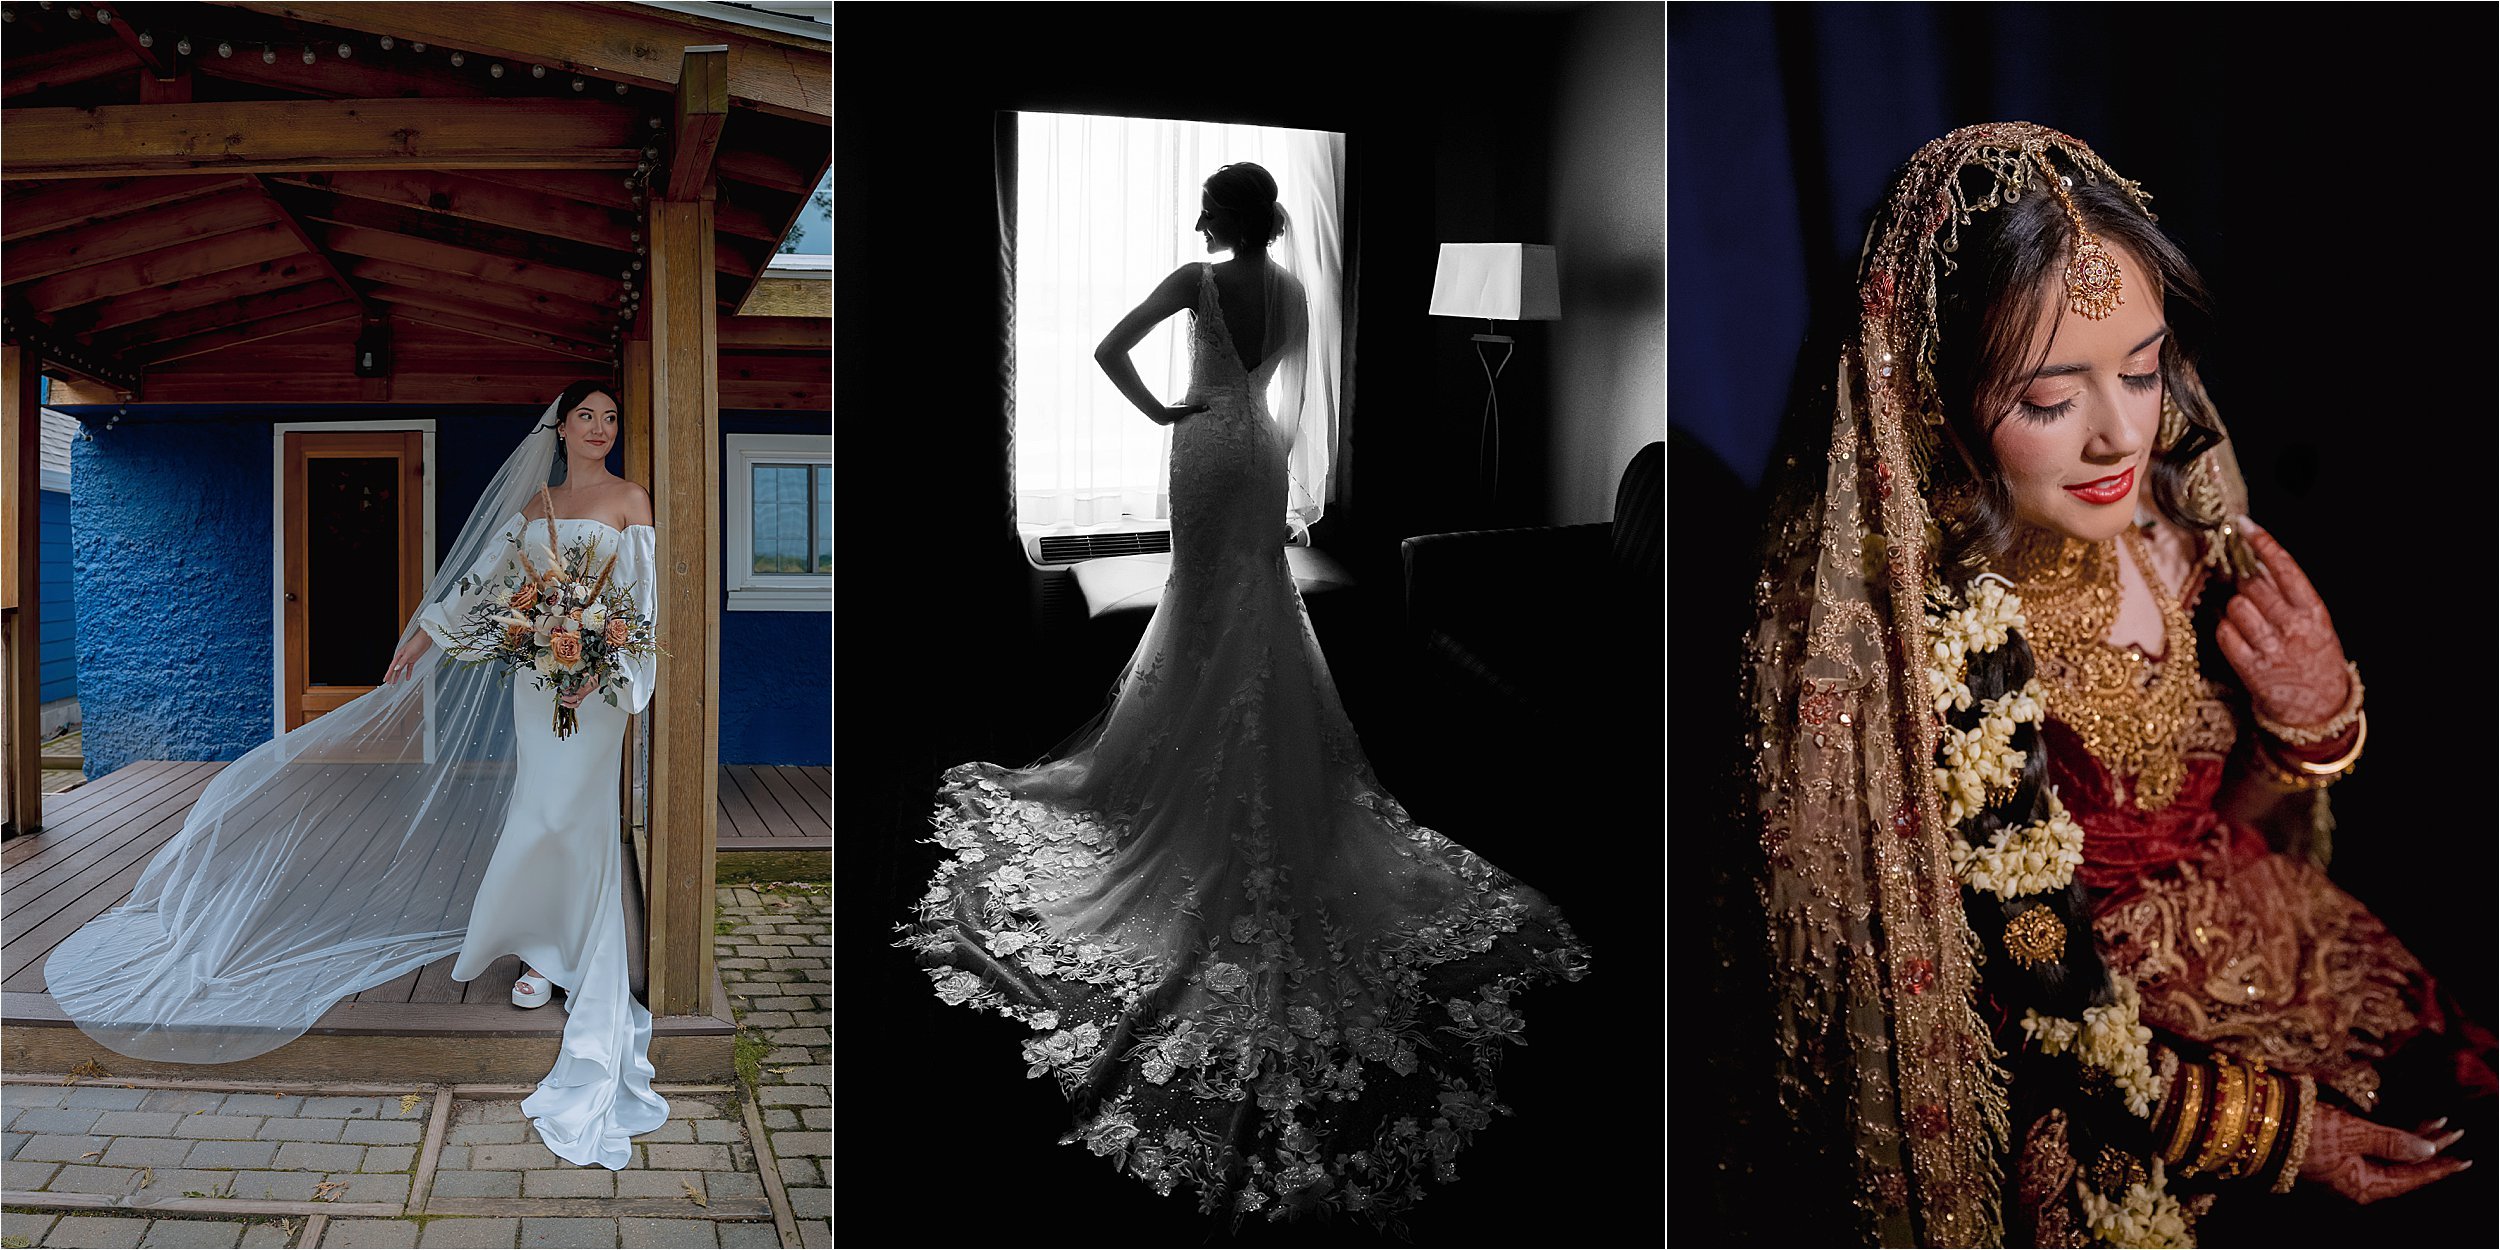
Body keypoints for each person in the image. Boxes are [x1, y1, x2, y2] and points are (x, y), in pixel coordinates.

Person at [1731, 122, 2493, 1246]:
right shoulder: (1914, 647)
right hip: (2102, 1074)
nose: (2119, 432)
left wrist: (2308, 724)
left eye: (2140, 370)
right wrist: (2286, 1136)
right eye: (2049, 399)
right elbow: (2011, 993)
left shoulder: (2182, 524)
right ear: (1933, 397)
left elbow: (2247, 827)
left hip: (2290, 962)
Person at [892, 162, 1591, 1229]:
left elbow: (1104, 349)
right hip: (1259, 451)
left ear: (1220, 214)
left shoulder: (1192, 275)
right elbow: (1296, 395)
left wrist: (1166, 405)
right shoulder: (1299, 290)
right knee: (1254, 609)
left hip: (1202, 447)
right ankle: (1257, 763)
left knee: (1200, 602)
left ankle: (1184, 763)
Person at [46, 380, 668, 1170]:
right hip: (538, 683)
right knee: (537, 814)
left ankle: (573, 957)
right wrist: (420, 641)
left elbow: (640, 601)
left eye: (611, 417)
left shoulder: (630, 497)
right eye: (587, 416)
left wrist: (605, 671)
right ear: (561, 427)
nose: (601, 428)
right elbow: (482, 587)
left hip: (596, 690)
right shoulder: (538, 505)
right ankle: (541, 952)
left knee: (575, 820)